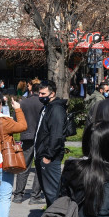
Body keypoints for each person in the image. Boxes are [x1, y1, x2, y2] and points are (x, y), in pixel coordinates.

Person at [34, 80, 67, 208]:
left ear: (52, 94)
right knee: (48, 192)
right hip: (42, 155)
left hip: (50, 158)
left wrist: (48, 156)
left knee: (53, 192)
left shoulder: (56, 109)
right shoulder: (47, 107)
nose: (40, 96)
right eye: (39, 93)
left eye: (43, 93)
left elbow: (56, 135)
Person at [13, 83, 44, 205]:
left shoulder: (23, 103)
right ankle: (35, 196)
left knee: (24, 166)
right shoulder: (43, 103)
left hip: (26, 136)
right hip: (40, 138)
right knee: (39, 168)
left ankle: (18, 195)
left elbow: (16, 120)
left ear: (31, 91)